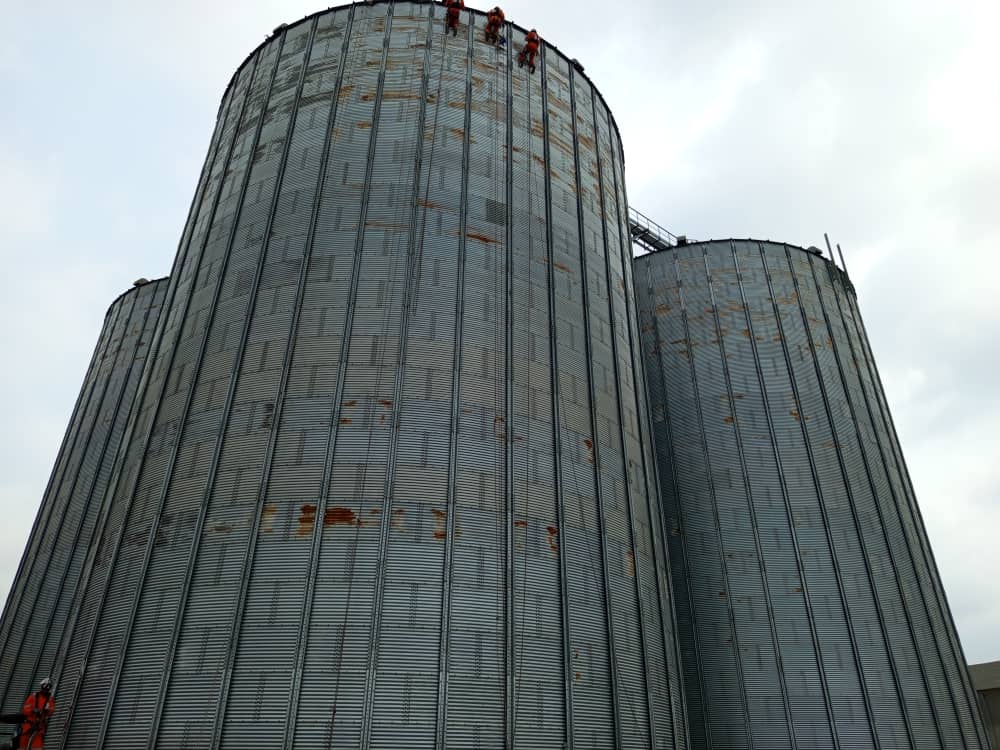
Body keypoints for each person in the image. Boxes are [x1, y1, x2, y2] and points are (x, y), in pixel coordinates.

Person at [17, 679, 54, 749]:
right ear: (41, 687)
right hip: (28, 726)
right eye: (45, 687)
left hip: (39, 727)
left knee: (37, 746)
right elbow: (25, 709)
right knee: (23, 745)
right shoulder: (33, 696)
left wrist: (46, 711)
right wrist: (33, 710)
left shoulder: (50, 699)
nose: (46, 690)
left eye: (48, 688)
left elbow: (51, 710)